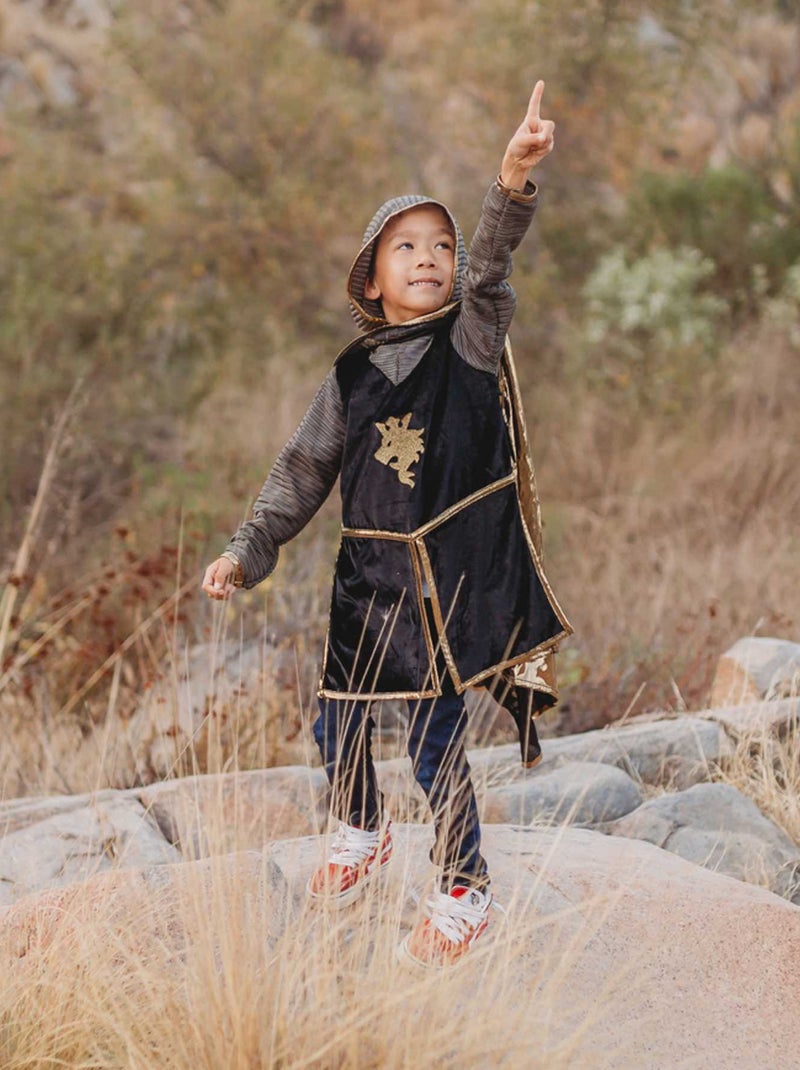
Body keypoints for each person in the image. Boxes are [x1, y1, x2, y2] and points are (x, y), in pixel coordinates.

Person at [202, 80, 572, 968]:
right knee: (339, 723)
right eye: (407, 247)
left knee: (437, 741)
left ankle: (463, 889)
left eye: (440, 246)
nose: (430, 259)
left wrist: (511, 180)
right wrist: (248, 550)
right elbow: (301, 472)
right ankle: (361, 829)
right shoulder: (350, 374)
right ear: (371, 276)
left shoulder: (470, 341)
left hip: (444, 582)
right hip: (367, 581)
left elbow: (490, 268)